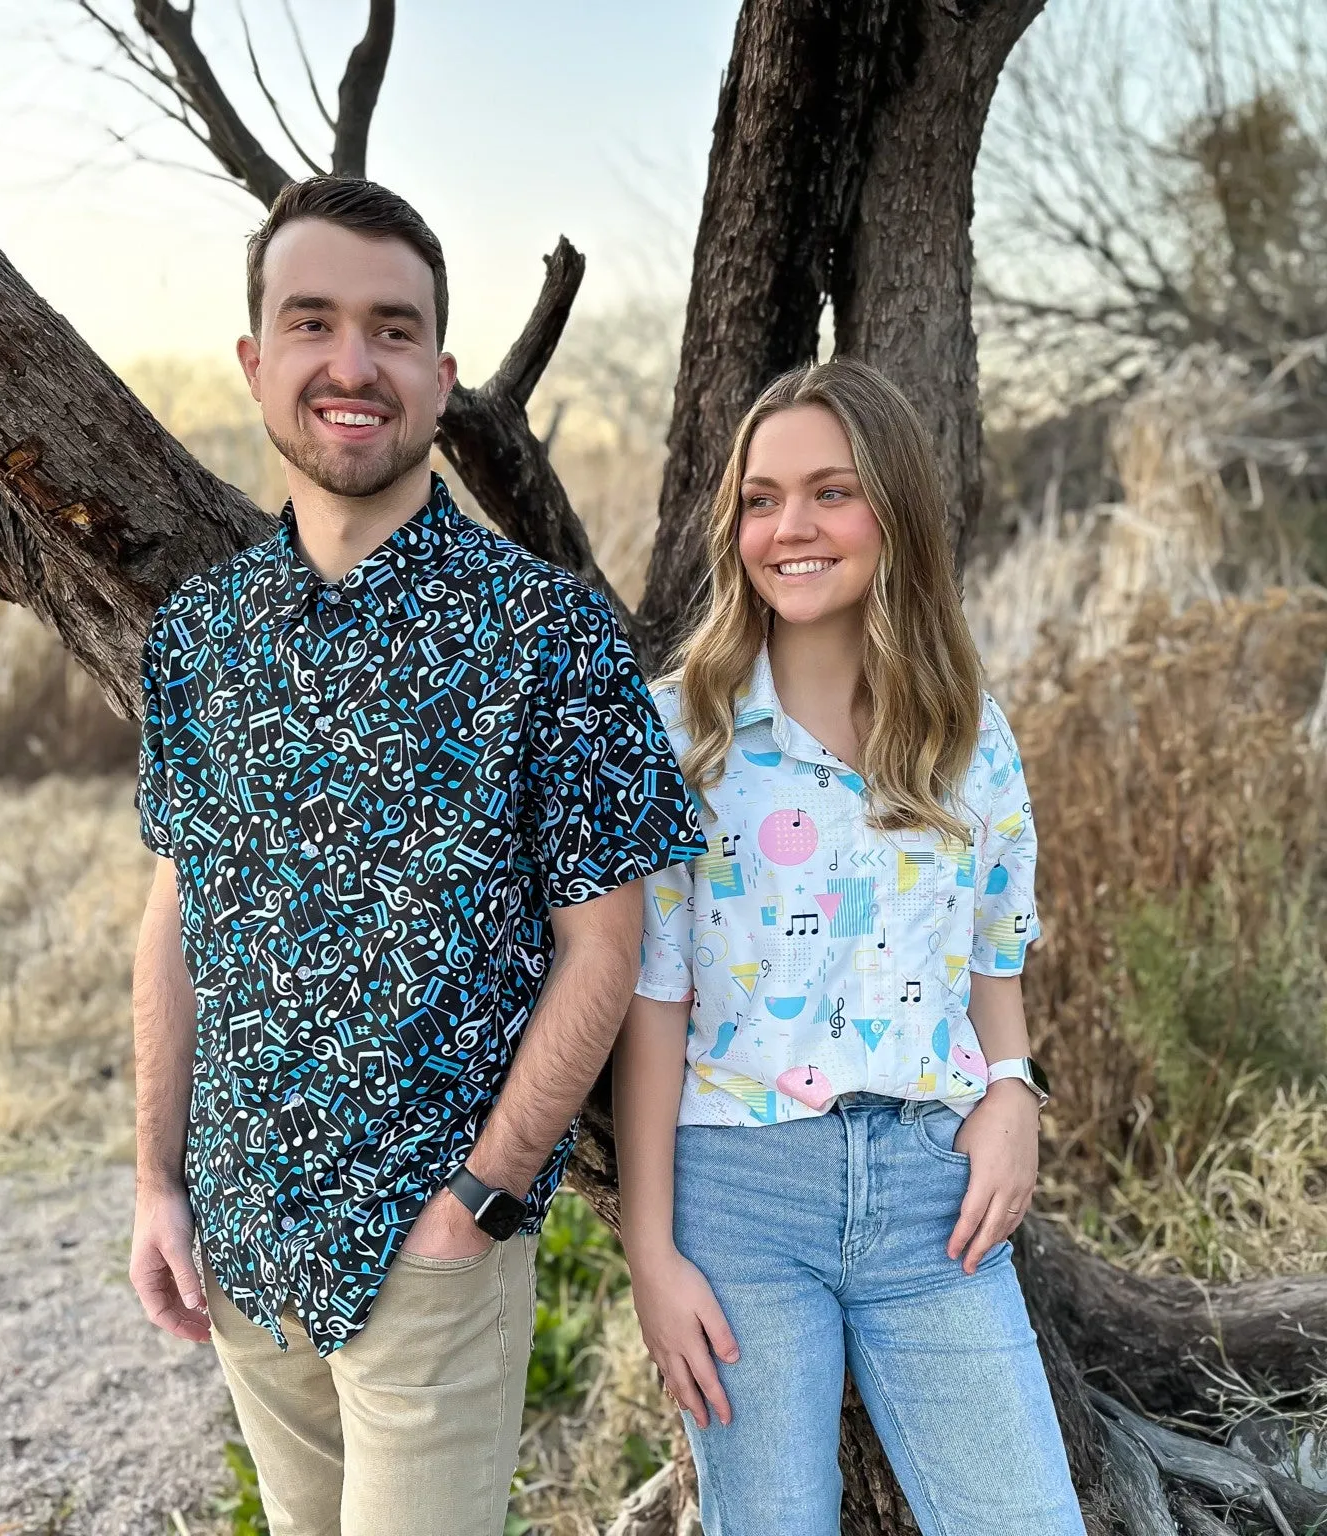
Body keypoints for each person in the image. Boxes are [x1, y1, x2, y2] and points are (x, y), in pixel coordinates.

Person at [128, 175, 705, 1536]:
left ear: (443, 377)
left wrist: (478, 1201)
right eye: (313, 321)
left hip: (429, 1248)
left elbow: (606, 944)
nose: (352, 362)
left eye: (392, 330)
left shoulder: (547, 634)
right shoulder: (201, 637)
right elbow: (174, 914)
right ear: (255, 361)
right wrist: (159, 1179)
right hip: (243, 1231)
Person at [611, 358, 1085, 1536]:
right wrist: (653, 1255)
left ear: (893, 510)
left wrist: (1014, 1092)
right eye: (762, 499)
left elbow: (993, 953)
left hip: (939, 1201)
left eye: (830, 491)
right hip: (741, 1202)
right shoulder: (683, 736)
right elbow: (653, 1003)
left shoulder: (970, 737)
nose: (791, 527)